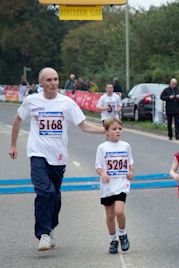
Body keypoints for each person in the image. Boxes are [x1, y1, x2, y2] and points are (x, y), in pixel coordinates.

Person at [8, 67, 106, 251]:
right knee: (45, 191)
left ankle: (51, 227)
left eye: (55, 79)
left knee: (55, 196)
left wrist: (104, 130)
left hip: (58, 157)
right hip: (37, 153)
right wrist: (13, 145)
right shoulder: (32, 101)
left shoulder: (66, 103)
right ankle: (43, 234)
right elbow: (17, 120)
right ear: (41, 83)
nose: (53, 83)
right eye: (49, 80)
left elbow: (83, 125)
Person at [95, 118, 134, 254]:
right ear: (106, 132)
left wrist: (131, 172)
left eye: (120, 129)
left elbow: (131, 162)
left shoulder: (126, 146)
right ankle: (113, 239)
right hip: (107, 186)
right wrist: (103, 174)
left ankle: (123, 234)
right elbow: (98, 167)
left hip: (122, 183)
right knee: (110, 215)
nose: (118, 131)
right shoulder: (102, 148)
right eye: (114, 129)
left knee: (119, 211)